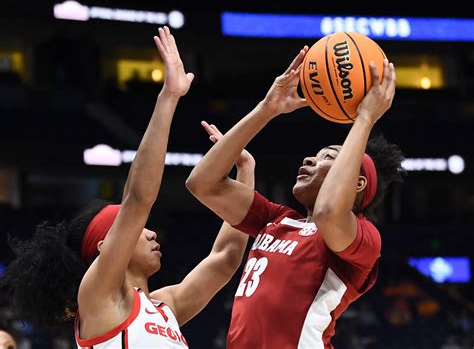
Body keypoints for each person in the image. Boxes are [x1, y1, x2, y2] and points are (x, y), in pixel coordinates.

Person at [1, 26, 251, 348]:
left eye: (146, 229)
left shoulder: (166, 307)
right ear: (107, 246)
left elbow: (226, 257)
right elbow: (138, 199)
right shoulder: (97, 297)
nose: (151, 233)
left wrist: (246, 170)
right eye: (140, 229)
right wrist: (169, 96)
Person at [186, 46, 404, 348]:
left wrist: (364, 120)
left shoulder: (365, 238)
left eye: (328, 156)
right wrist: (267, 108)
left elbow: (329, 212)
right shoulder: (276, 220)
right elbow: (202, 183)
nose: (310, 159)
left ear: (357, 183)